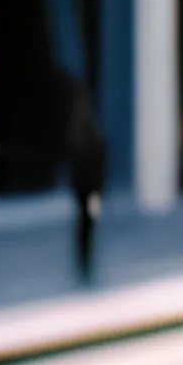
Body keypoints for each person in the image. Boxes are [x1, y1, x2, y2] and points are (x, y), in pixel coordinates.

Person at [62, 75, 106, 281]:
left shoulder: (77, 129)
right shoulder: (89, 131)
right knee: (88, 223)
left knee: (84, 224)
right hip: (89, 188)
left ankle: (83, 262)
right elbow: (96, 159)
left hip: (83, 187)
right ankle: (85, 262)